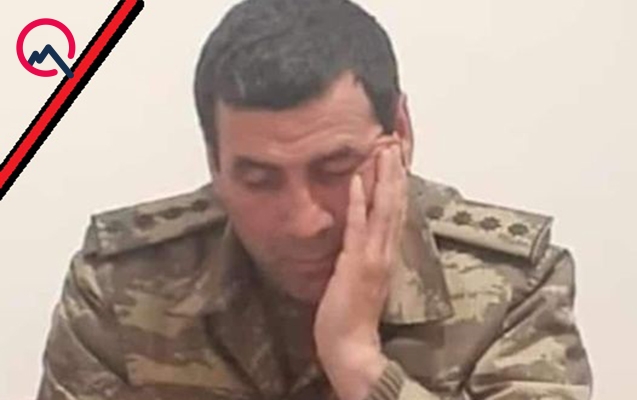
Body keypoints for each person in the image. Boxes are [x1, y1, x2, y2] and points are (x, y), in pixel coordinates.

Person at [37, 0, 593, 399]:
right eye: (259, 180)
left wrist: (360, 365)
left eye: (336, 170)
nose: (304, 222)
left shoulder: (513, 287)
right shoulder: (121, 286)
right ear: (214, 162)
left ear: (400, 133)